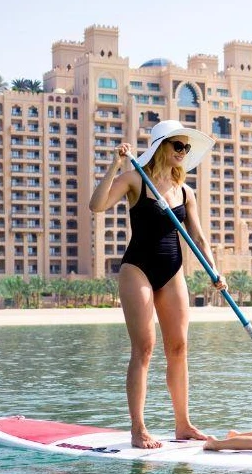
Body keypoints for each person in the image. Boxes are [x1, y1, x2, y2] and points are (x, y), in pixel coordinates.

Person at [89, 120, 224, 448]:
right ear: (161, 146)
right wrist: (116, 164)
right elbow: (97, 205)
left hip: (172, 270)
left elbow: (198, 237)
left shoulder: (185, 191)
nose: (183, 152)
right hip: (138, 268)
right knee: (145, 348)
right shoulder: (134, 178)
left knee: (179, 348)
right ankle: (138, 428)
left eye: (186, 148)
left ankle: (183, 424)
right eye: (178, 145)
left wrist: (214, 271)